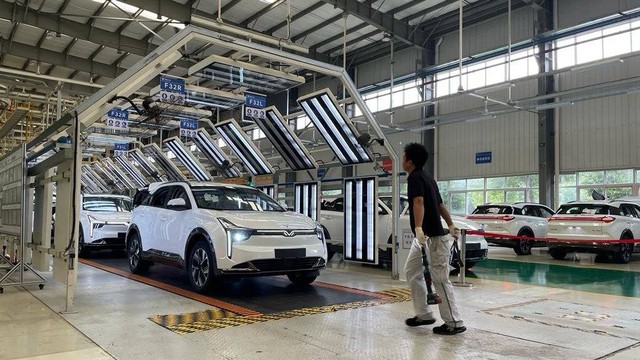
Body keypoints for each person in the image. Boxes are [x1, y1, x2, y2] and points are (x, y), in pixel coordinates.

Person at [402, 143, 466, 335]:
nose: (402, 160)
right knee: (412, 271)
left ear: (410, 162)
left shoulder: (415, 178)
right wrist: (450, 223)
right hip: (423, 239)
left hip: (434, 238)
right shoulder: (428, 177)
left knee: (440, 279)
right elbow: (440, 205)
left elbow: (419, 201)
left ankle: (454, 322)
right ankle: (424, 314)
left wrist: (419, 227)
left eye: (404, 157)